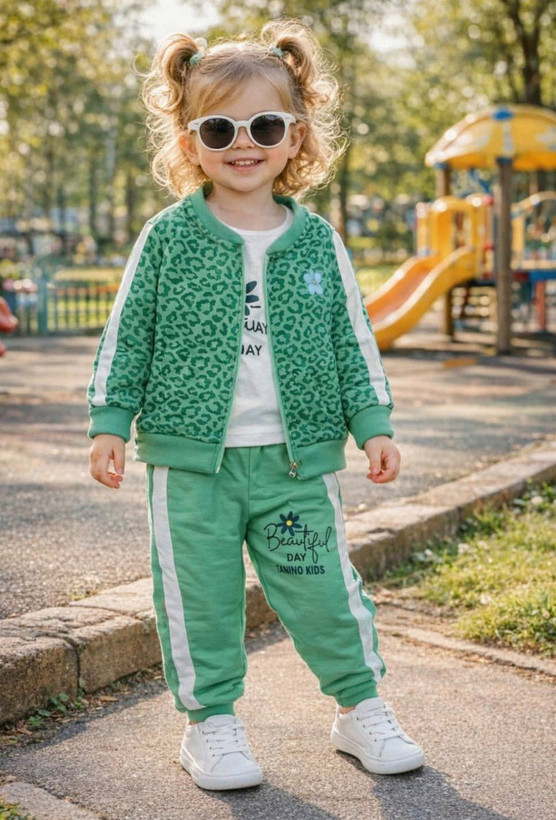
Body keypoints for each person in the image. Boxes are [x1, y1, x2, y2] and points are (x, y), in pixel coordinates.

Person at [87, 19, 425, 791]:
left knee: (324, 591)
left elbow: (352, 338)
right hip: (191, 470)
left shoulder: (318, 242)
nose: (244, 144)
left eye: (265, 126)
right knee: (200, 602)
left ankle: (360, 708)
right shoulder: (168, 238)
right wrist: (110, 421)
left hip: (295, 467)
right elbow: (127, 333)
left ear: (295, 135)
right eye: (220, 129)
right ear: (190, 140)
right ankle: (210, 724)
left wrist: (372, 423)